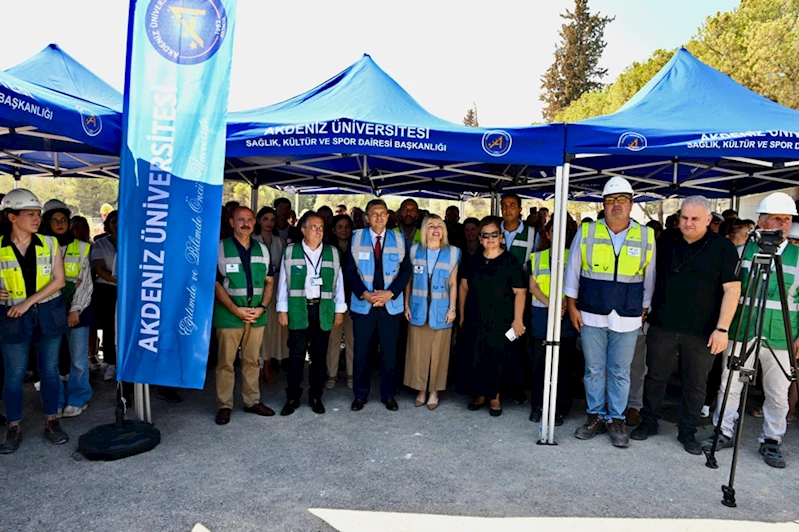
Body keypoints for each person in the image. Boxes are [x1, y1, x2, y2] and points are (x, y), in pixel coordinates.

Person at [629, 196, 741, 454]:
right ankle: (649, 422)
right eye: (684, 218)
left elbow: (732, 290)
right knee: (656, 377)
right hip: (663, 324)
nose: (688, 223)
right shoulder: (665, 241)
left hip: (703, 330)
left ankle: (687, 431)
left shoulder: (723, 247)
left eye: (695, 219)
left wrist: (722, 329)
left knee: (696, 383)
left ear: (709, 220)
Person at [702, 192, 799, 468]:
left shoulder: (798, 255)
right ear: (762, 220)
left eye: (787, 219)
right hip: (742, 330)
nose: (782, 224)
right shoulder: (743, 251)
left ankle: (772, 440)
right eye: (776, 218)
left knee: (777, 392)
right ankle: (723, 430)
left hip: (782, 335)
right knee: (729, 384)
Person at [564, 177, 656, 448]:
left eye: (622, 200)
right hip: (592, 311)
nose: (616, 205)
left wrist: (644, 308)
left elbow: (649, 276)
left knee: (620, 370)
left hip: (628, 314)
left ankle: (616, 419)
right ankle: (594, 416)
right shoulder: (588, 231)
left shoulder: (645, 235)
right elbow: (573, 270)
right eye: (610, 200)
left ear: (631, 204)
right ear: (603, 204)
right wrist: (571, 306)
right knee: (593, 369)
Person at [0, 189, 70, 454]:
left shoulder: (50, 244)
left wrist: (27, 302)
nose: (37, 219)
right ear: (12, 217)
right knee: (15, 374)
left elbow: (59, 282)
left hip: (46, 314)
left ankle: (52, 421)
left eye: (38, 214)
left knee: (49, 370)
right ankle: (14, 426)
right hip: (11, 318)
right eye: (30, 214)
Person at [344, 199, 411, 412]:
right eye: (374, 213)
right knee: (362, 352)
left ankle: (388, 394)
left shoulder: (399, 239)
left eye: (383, 213)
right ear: (366, 217)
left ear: (389, 216)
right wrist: (364, 293)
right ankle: (360, 396)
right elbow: (349, 270)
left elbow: (405, 271)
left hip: (390, 306)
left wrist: (390, 293)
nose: (379, 217)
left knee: (389, 353)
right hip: (364, 305)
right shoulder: (355, 238)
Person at [276, 211, 346, 416]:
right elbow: (284, 282)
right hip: (298, 307)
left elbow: (338, 282)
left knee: (319, 354)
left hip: (322, 308)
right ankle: (292, 397)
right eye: (314, 227)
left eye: (322, 227)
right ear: (303, 230)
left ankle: (316, 396)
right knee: (296, 355)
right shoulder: (291, 251)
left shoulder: (332, 252)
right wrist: (282, 309)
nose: (318, 231)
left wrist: (339, 309)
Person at [457, 216, 526, 416]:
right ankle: (478, 394)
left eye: (494, 234)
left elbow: (520, 291)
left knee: (497, 357)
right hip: (474, 316)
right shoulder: (473, 260)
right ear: (479, 239)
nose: (490, 239)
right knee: (475, 354)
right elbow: (463, 287)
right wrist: (462, 314)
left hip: (501, 319)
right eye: (485, 235)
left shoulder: (510, 261)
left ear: (501, 237)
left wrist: (518, 319)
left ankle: (495, 397)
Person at [213, 207, 276, 425]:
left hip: (256, 315)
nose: (246, 223)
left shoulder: (263, 249)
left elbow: (269, 281)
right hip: (229, 315)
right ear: (231, 222)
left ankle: (252, 401)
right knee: (225, 363)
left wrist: (263, 307)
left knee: (252, 361)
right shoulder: (219, 248)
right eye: (241, 219)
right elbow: (216, 284)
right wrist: (236, 310)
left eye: (250, 220)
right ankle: (224, 405)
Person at [41, 200, 95, 418]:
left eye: (63, 220)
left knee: (79, 360)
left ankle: (78, 397)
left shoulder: (82, 247)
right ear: (47, 223)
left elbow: (86, 282)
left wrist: (75, 309)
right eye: (55, 220)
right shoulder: (40, 247)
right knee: (51, 361)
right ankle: (56, 400)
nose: (60, 224)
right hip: (49, 310)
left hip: (78, 312)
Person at [404, 214, 460, 410]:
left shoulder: (453, 252)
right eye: (431, 226)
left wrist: (453, 308)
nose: (436, 229)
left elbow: (454, 283)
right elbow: (408, 280)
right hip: (418, 308)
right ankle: (420, 389)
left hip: (441, 308)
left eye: (439, 226)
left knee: (439, 353)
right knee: (418, 351)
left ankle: (434, 391)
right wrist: (406, 304)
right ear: (425, 230)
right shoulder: (414, 251)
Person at [528, 218, 579, 426]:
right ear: (547, 234)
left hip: (565, 317)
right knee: (540, 364)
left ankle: (559, 408)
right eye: (552, 231)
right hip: (542, 315)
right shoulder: (537, 257)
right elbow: (532, 286)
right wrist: (551, 304)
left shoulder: (573, 256)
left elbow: (577, 283)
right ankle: (538, 406)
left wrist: (565, 303)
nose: (556, 235)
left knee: (562, 366)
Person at [499, 192, 536, 405]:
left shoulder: (532, 234)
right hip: (498, 299)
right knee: (499, 342)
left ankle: (517, 387)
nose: (507, 209)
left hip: (522, 299)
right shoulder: (495, 232)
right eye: (504, 205)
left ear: (520, 209)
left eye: (512, 205)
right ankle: (500, 385)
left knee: (519, 344)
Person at [253, 207, 288, 382]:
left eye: (272, 219)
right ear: (258, 221)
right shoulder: (251, 240)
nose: (269, 223)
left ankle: (267, 366)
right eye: (265, 219)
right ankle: (256, 369)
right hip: (255, 289)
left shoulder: (280, 242)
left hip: (274, 291)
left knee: (270, 331)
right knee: (256, 330)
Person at [325, 214, 355, 389]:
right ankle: (332, 374)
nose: (344, 230)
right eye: (340, 227)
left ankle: (351, 374)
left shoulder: (356, 248)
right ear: (334, 230)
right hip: (332, 301)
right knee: (333, 339)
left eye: (347, 227)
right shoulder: (328, 249)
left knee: (352, 339)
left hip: (353, 300)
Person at [90, 210, 118, 381]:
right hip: (108, 290)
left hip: (128, 291)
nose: (116, 224)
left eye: (119, 221)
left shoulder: (133, 240)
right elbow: (99, 269)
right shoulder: (100, 243)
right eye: (113, 221)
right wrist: (120, 281)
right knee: (109, 327)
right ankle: (110, 363)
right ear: (108, 225)